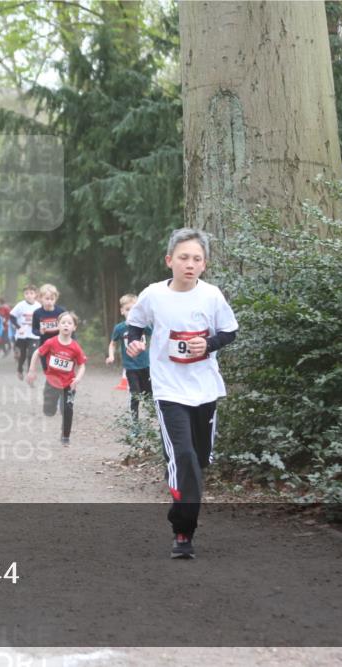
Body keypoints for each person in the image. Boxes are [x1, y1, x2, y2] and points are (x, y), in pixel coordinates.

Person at [125, 228, 238, 559]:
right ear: (169, 260)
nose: (190, 264)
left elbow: (230, 331)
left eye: (197, 259)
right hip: (169, 389)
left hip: (205, 389)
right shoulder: (154, 295)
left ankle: (179, 472)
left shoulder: (212, 295)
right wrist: (134, 340)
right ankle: (183, 531)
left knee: (198, 461)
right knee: (185, 457)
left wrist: (210, 343)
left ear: (204, 265)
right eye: (184, 257)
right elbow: (136, 323)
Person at [26, 311, 86, 445]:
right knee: (49, 411)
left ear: (74, 327)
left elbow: (82, 365)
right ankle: (50, 408)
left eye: (69, 323)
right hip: (52, 382)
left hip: (69, 383)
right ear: (58, 325)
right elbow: (37, 353)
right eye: (63, 323)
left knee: (67, 409)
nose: (66, 325)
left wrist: (78, 379)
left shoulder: (75, 347)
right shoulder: (51, 342)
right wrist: (31, 370)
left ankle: (65, 436)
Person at [106, 293, 153, 435]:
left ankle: (156, 420)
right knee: (135, 395)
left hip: (146, 365)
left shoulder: (143, 326)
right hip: (131, 367)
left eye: (134, 309)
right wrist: (111, 356)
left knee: (150, 395)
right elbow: (112, 344)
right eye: (127, 309)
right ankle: (135, 424)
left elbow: (157, 335)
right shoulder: (119, 328)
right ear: (122, 311)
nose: (130, 313)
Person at [9, 284, 41, 380]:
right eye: (26, 293)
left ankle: (29, 373)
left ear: (35, 294)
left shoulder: (38, 306)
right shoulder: (20, 305)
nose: (29, 295)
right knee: (22, 355)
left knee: (32, 354)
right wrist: (18, 327)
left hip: (34, 335)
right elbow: (12, 316)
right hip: (22, 335)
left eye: (31, 293)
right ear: (24, 294)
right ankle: (19, 369)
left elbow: (42, 319)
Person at [31, 283, 66, 369]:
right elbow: (34, 330)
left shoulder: (61, 311)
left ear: (55, 299)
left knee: (57, 368)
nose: (49, 301)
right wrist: (40, 332)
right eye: (47, 299)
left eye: (52, 299)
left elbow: (69, 327)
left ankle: (55, 381)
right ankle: (50, 381)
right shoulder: (37, 313)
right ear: (41, 299)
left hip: (59, 344)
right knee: (46, 368)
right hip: (45, 344)